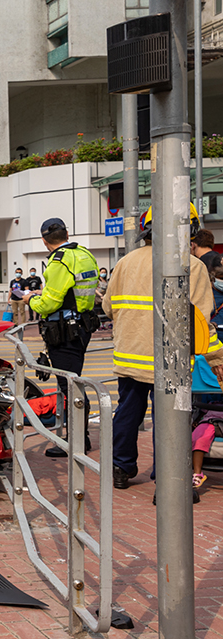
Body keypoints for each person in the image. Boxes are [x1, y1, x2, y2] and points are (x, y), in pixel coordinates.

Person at [104, 204, 223, 490]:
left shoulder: (125, 263)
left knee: (128, 414)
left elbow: (108, 307)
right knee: (171, 421)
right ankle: (165, 478)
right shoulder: (191, 266)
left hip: (130, 358)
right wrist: (217, 358)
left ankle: (121, 469)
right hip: (173, 361)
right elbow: (201, 322)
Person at [23, 218, 99, 458]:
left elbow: (48, 304)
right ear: (67, 233)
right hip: (82, 326)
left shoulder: (59, 262)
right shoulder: (85, 254)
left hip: (64, 331)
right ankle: (80, 438)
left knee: (70, 386)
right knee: (73, 382)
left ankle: (77, 441)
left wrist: (30, 300)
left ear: (44, 241)